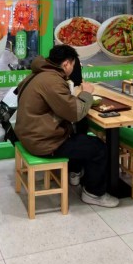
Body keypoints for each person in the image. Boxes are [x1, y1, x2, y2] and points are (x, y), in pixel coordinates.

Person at [14, 45, 119, 208]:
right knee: (98, 148)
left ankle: (74, 173)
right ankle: (93, 194)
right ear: (66, 64)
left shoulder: (39, 74)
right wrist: (86, 93)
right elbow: (75, 113)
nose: (73, 69)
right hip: (43, 142)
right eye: (73, 65)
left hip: (30, 135)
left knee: (79, 135)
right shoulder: (52, 81)